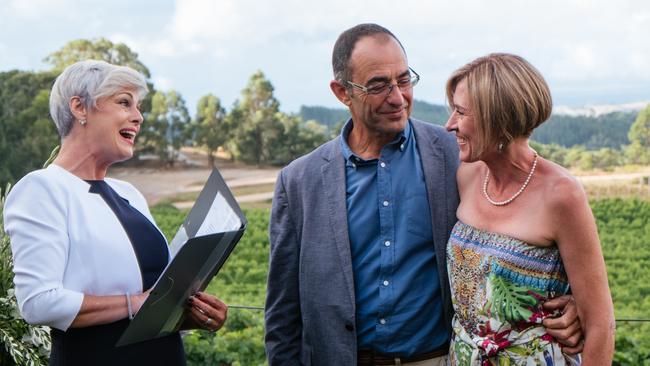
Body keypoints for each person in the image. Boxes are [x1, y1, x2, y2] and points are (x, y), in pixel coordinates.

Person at [265, 24, 582, 366]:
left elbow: (533, 211)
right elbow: (283, 311)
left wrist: (572, 301)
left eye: (403, 80)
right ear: (342, 92)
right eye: (378, 85)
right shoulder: (299, 181)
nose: (398, 97)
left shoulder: (457, 154)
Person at [3, 60, 227, 365]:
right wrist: (137, 303)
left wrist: (190, 316)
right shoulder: (42, 189)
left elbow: (145, 311)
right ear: (80, 108)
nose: (138, 117)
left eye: (138, 106)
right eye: (124, 103)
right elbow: (38, 303)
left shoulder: (129, 194)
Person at [444, 53, 615, 364]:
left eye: (460, 112)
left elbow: (600, 323)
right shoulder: (467, 175)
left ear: (496, 118)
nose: (449, 125)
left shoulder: (562, 194)